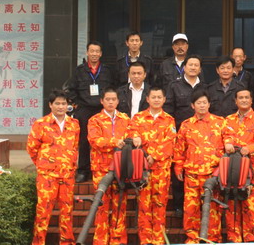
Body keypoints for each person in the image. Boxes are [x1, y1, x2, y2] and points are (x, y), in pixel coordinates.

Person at [26, 89, 79, 245]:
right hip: (47, 176)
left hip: (67, 175)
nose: (61, 107)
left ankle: (66, 242)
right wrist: (44, 165)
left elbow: (75, 147)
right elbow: (32, 148)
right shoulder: (41, 124)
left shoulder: (74, 124)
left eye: (63, 103)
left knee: (67, 213)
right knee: (43, 212)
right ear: (50, 105)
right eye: (57, 103)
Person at [173, 88, 226, 244]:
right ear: (192, 105)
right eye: (198, 103)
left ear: (209, 104)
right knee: (191, 208)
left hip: (212, 174)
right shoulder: (186, 125)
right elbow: (179, 149)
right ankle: (192, 238)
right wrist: (178, 166)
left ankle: (212, 239)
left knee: (212, 209)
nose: (202, 106)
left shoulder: (220, 122)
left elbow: (229, 145)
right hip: (191, 174)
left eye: (204, 102)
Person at [126, 87, 177, 245]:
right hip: (143, 170)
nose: (156, 100)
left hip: (161, 169)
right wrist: (138, 143)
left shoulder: (169, 119)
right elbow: (132, 134)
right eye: (153, 97)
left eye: (159, 97)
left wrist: (154, 155)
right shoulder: (138, 118)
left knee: (160, 205)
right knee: (144, 205)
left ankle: (158, 240)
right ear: (147, 99)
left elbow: (170, 142)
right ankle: (145, 240)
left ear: (164, 99)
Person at [223, 88, 254, 242]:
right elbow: (225, 136)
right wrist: (227, 143)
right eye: (240, 98)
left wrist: (249, 148)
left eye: (246, 97)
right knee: (232, 203)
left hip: (252, 169)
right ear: (235, 101)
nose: (244, 100)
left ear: (251, 100)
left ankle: (251, 239)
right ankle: (234, 238)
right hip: (232, 168)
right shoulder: (228, 119)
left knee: (251, 204)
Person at [67, 41, 117, 182]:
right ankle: (83, 170)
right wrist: (77, 104)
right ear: (87, 53)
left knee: (105, 139)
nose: (94, 54)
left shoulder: (107, 70)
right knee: (84, 140)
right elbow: (71, 89)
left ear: (101, 54)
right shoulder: (79, 70)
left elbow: (114, 87)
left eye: (97, 51)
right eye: (92, 51)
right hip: (84, 109)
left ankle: (106, 169)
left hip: (102, 110)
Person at [87, 87, 131, 245]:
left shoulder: (125, 119)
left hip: (120, 168)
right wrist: (114, 142)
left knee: (120, 206)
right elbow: (95, 141)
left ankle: (118, 241)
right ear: (102, 101)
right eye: (108, 99)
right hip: (101, 168)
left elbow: (131, 138)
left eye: (113, 99)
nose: (111, 102)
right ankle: (100, 241)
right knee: (101, 206)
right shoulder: (95, 120)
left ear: (118, 101)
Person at [163, 53, 204, 215]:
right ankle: (179, 205)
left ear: (200, 69)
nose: (193, 68)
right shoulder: (174, 86)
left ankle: (199, 205)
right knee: (179, 169)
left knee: (199, 170)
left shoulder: (205, 87)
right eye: (190, 65)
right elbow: (169, 110)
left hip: (201, 137)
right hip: (181, 135)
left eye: (196, 65)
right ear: (184, 67)